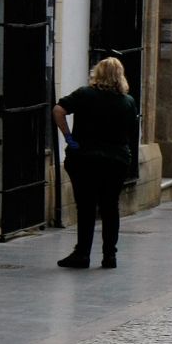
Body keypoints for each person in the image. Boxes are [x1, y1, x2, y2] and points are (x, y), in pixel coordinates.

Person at [53, 56, 138, 269]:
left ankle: (82, 253)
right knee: (110, 207)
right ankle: (110, 255)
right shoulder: (128, 102)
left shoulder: (84, 95)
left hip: (85, 159)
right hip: (116, 160)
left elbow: (58, 110)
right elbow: (132, 132)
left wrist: (69, 138)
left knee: (86, 206)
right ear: (120, 77)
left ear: (97, 74)